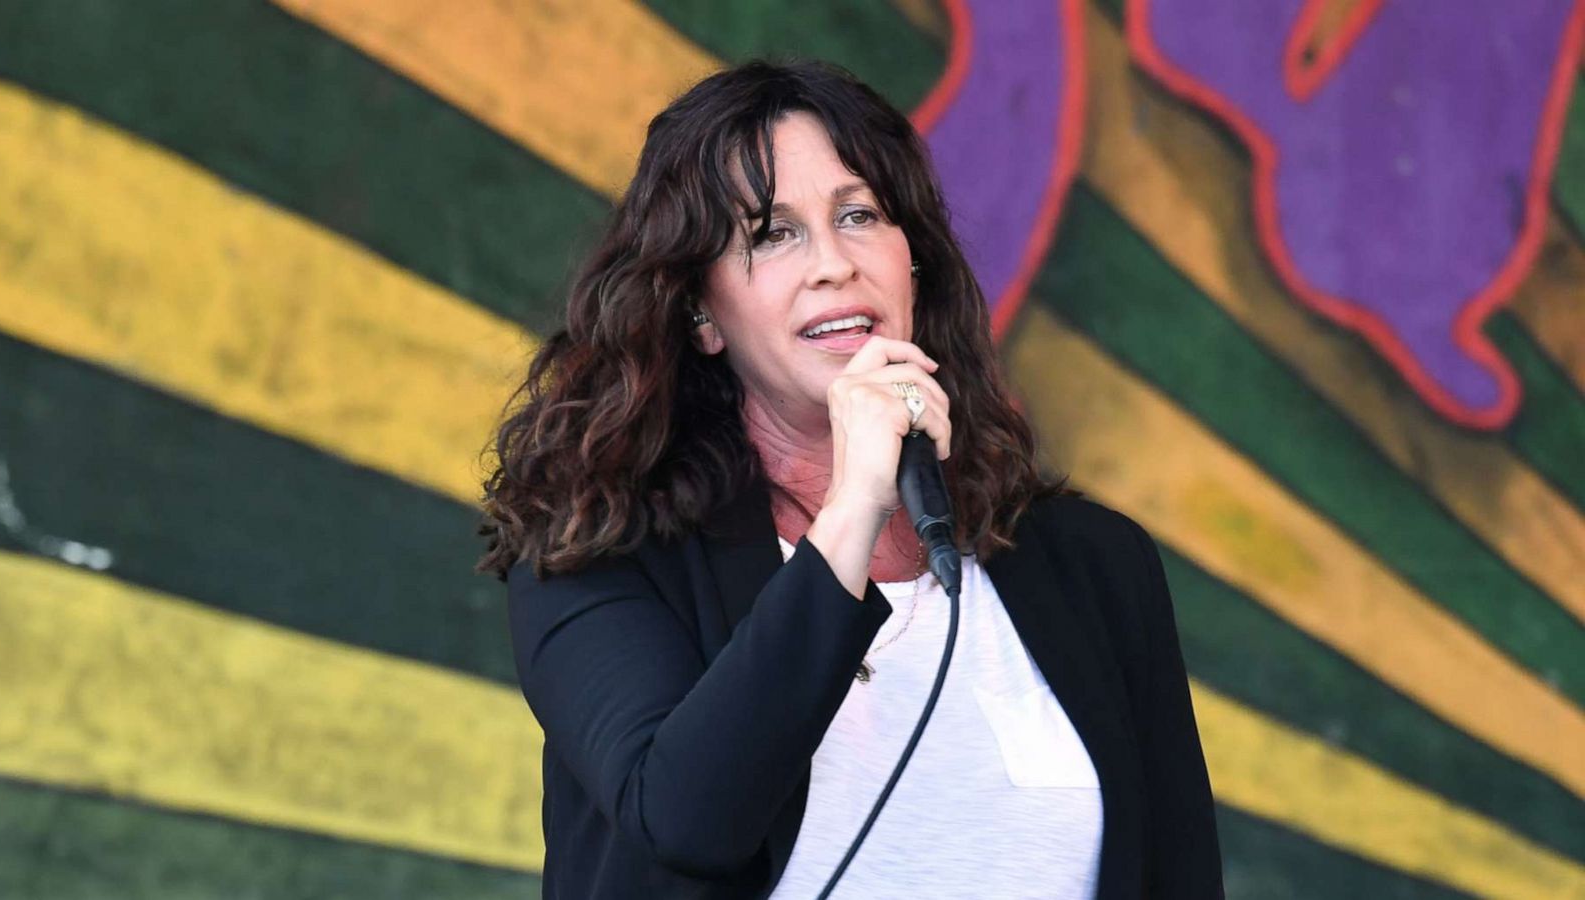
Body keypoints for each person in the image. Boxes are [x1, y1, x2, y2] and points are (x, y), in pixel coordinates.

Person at [478, 59, 1222, 899]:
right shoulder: (604, 554)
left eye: (859, 214)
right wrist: (854, 507)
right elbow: (687, 818)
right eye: (770, 233)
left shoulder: (1091, 566)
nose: (833, 263)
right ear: (702, 313)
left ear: (914, 264)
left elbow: (1179, 874)